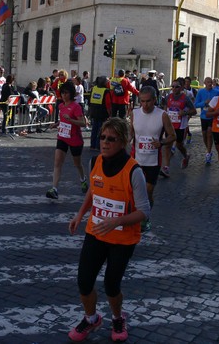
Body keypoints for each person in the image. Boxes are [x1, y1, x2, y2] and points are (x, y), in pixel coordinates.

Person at [68, 117, 150, 342]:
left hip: (123, 239)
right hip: (96, 232)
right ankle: (92, 318)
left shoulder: (134, 171)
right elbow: (93, 191)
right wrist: (80, 214)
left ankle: (117, 317)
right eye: (102, 137)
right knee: (84, 281)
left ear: (123, 142)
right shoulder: (95, 162)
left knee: (111, 285)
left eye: (111, 139)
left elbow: (145, 211)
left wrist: (117, 221)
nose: (104, 142)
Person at [129, 86, 175, 231]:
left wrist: (160, 142)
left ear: (155, 100)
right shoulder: (134, 113)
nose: (145, 104)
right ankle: (133, 216)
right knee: (132, 191)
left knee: (148, 191)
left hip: (153, 161)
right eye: (142, 101)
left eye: (148, 101)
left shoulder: (162, 115)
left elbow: (173, 135)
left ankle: (146, 217)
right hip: (135, 159)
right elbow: (131, 134)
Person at [46, 81, 88, 200]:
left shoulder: (76, 107)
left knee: (77, 164)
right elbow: (63, 120)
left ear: (71, 94)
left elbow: (83, 123)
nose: (64, 95)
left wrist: (71, 120)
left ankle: (83, 179)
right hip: (62, 137)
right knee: (57, 162)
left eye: (66, 93)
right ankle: (54, 189)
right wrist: (57, 124)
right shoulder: (61, 106)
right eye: (62, 93)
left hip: (75, 139)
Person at [160, 78, 196, 177]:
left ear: (181, 87)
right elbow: (165, 108)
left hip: (181, 126)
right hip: (170, 125)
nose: (174, 88)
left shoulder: (185, 98)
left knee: (179, 145)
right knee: (168, 145)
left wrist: (184, 112)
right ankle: (166, 168)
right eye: (173, 86)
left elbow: (194, 111)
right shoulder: (168, 97)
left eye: (177, 87)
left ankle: (186, 156)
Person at [194, 77, 219, 164]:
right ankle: (208, 149)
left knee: (209, 133)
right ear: (204, 83)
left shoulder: (216, 92)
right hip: (203, 116)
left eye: (210, 82)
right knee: (204, 135)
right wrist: (204, 102)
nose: (209, 84)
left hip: (213, 116)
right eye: (207, 82)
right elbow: (196, 104)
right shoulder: (201, 92)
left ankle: (208, 153)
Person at [88, 76, 111, 151]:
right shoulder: (106, 91)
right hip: (102, 113)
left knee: (94, 129)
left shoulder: (94, 89)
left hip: (94, 112)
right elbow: (108, 104)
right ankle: (98, 146)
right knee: (101, 130)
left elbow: (90, 101)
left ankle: (92, 145)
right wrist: (110, 114)